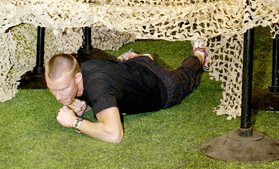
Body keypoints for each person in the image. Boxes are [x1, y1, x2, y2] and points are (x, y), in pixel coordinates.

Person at [45, 46, 207, 144]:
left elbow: (115, 134)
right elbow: (111, 73)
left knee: (186, 74)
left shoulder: (98, 87)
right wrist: (84, 105)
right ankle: (142, 58)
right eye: (53, 89)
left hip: (163, 86)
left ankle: (199, 55)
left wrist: (75, 122)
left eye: (63, 89)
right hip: (134, 67)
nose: (58, 97)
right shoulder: (86, 67)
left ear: (78, 77)